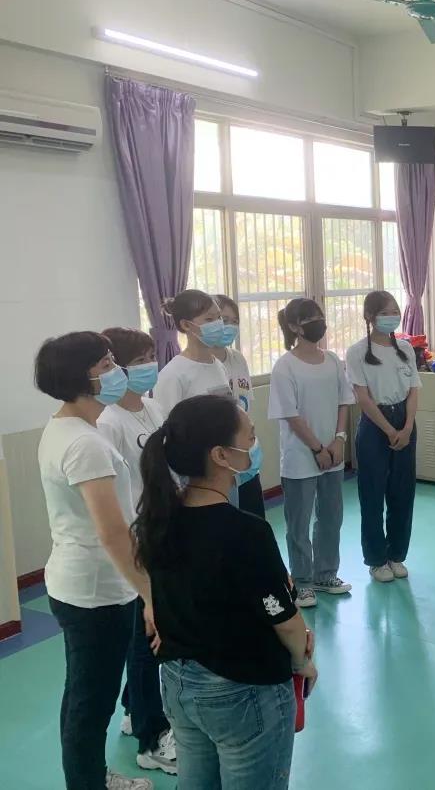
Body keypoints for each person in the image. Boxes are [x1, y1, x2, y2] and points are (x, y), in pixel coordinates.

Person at [133, 394, 317, 789]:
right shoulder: (245, 532)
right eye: (249, 437)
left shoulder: (158, 520)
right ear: (220, 455)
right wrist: (303, 660)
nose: (254, 444)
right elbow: (283, 618)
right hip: (243, 691)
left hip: (180, 684)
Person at [34, 332, 155, 790]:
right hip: (95, 592)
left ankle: (89, 776)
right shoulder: (86, 443)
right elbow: (111, 532)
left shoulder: (67, 429)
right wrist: (149, 594)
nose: (116, 370)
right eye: (105, 364)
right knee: (92, 701)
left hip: (79, 583)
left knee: (83, 694)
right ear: (79, 377)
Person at [97, 327, 175, 775]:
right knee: (148, 639)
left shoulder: (151, 406)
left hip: (162, 531)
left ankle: (133, 708)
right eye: (140, 359)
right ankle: (152, 738)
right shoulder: (109, 422)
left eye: (150, 356)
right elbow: (115, 496)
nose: (150, 365)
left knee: (144, 637)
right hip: (137, 539)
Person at [269, 298, 355, 609]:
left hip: (333, 453)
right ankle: (302, 582)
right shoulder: (285, 366)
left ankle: (325, 574)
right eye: (309, 318)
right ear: (294, 326)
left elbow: (344, 402)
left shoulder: (332, 360)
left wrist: (339, 440)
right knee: (298, 523)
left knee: (331, 517)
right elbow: (291, 415)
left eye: (319, 315)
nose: (318, 321)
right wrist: (317, 447)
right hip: (301, 456)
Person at [346, 291, 421, 583]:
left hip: (405, 420)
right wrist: (389, 430)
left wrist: (407, 426)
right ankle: (377, 560)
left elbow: (413, 390)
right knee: (372, 493)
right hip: (375, 424)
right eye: (384, 312)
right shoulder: (356, 352)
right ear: (369, 316)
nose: (392, 317)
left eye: (395, 312)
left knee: (403, 492)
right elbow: (363, 397)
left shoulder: (405, 348)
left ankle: (396, 554)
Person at [213, 294, 265, 519]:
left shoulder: (238, 359)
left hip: (246, 455)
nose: (231, 327)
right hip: (218, 462)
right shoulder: (198, 367)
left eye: (235, 321)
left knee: (254, 520)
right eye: (224, 320)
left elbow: (245, 406)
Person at [155, 289, 233, 413]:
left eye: (219, 317)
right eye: (209, 319)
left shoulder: (219, 366)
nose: (218, 324)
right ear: (186, 325)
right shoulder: (172, 375)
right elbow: (165, 421)